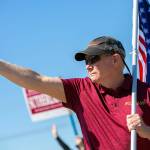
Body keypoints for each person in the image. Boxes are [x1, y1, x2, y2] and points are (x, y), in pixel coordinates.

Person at [0, 36, 150, 149]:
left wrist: (146, 131)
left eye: (93, 58)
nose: (88, 66)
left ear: (115, 60)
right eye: (86, 61)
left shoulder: (146, 92)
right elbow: (38, 80)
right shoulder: (80, 89)